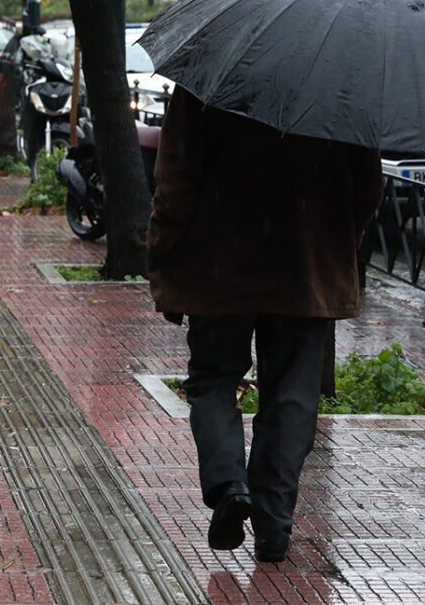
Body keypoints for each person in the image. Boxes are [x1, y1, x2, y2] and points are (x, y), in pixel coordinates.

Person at [146, 87, 385, 563]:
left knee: (213, 379)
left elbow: (176, 179)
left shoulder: (211, 80)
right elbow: (367, 186)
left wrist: (163, 251)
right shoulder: (342, 86)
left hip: (219, 263)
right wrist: (335, 245)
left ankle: (229, 485)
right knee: (293, 393)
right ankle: (273, 526)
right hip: (304, 265)